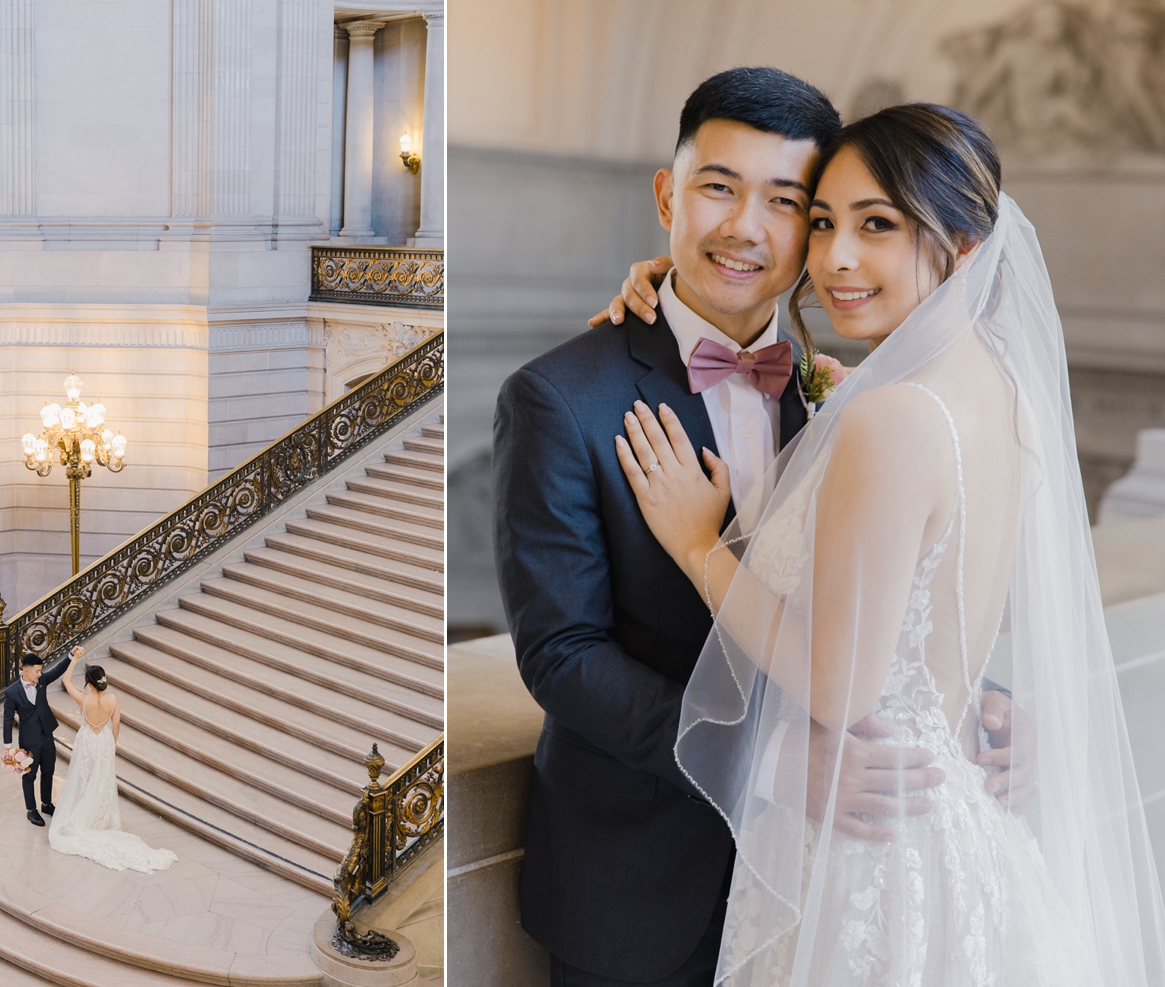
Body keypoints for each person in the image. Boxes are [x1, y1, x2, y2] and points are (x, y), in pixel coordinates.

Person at [492, 68, 1028, 987]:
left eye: (788, 204)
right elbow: (563, 656)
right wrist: (771, 760)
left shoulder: (844, 388)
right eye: (717, 188)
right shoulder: (558, 399)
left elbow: (912, 575)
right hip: (639, 887)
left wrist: (979, 696)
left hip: (830, 879)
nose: (746, 228)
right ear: (669, 194)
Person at [614, 103, 1165, 983]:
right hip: (948, 816)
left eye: (879, 226)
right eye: (825, 222)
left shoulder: (890, 415)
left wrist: (697, 546)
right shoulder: (1000, 389)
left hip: (868, 846)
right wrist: (662, 279)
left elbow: (842, 681)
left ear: (967, 245)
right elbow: (926, 607)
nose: (835, 259)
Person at [47, 646, 176, 874]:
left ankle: (81, 815)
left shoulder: (83, 700)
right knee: (101, 780)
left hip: (87, 740)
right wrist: (111, 745)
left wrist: (75, 659)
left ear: (88, 683)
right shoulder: (114, 700)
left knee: (82, 777)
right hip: (104, 741)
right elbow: (116, 725)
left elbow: (66, 681)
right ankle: (98, 816)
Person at [2, 652, 68, 826]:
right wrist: (8, 747)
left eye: (41, 671)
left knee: (48, 771)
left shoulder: (41, 682)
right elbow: (8, 718)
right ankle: (31, 810)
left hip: (47, 734)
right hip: (29, 739)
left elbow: (57, 671)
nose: (40, 674)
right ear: (26, 670)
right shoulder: (12, 692)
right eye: (37, 671)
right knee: (29, 776)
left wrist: (70, 657)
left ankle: (46, 804)